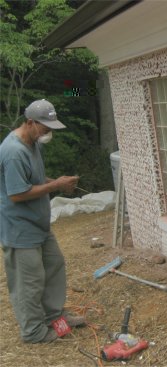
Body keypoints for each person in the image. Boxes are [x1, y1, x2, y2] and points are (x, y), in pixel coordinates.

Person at [0, 99, 86, 343]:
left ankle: (54, 316)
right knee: (29, 281)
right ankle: (34, 332)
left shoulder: (32, 143)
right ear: (30, 122)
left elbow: (33, 178)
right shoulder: (13, 152)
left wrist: (55, 180)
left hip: (39, 224)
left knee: (54, 264)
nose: (48, 132)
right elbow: (16, 193)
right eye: (45, 127)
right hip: (19, 228)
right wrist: (55, 185)